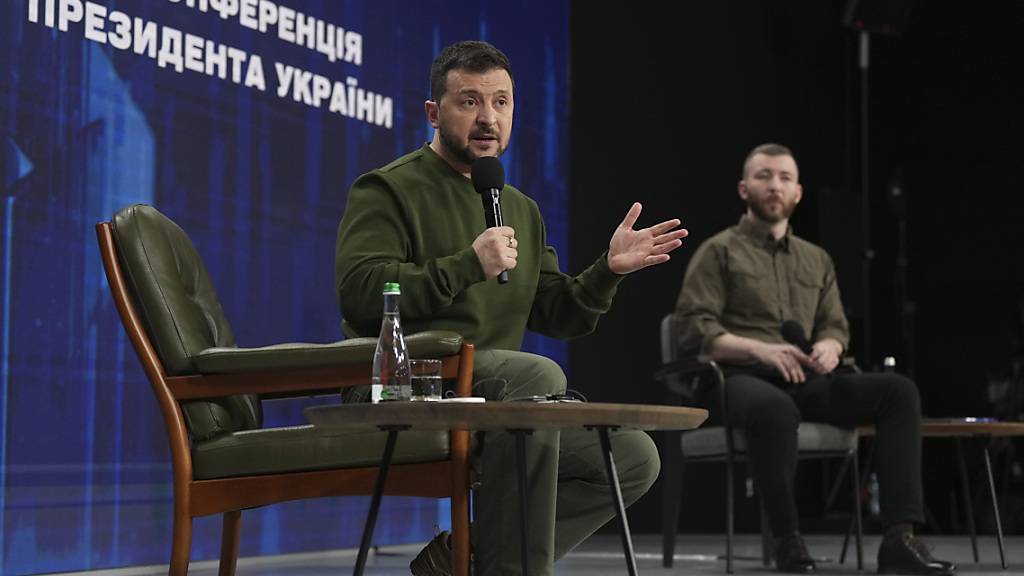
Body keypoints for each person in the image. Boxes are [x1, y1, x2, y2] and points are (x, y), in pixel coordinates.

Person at [335, 40, 688, 576]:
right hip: (403, 386)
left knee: (634, 458)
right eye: (469, 101)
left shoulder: (519, 207)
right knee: (536, 375)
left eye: (501, 102)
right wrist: (465, 266)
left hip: (493, 396)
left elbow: (557, 313)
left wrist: (606, 272)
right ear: (433, 112)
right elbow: (359, 292)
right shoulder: (388, 188)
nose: (487, 118)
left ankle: (465, 562)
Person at [674, 143, 956, 575]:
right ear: (743, 188)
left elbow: (835, 324)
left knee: (897, 392)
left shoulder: (816, 259)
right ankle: (788, 540)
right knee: (773, 408)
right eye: (764, 176)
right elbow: (695, 329)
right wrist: (760, 349)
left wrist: (831, 346)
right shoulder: (719, 252)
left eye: (785, 178)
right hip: (737, 378)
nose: (775, 185)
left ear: (799, 193)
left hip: (804, 379)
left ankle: (899, 537)